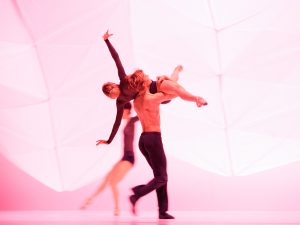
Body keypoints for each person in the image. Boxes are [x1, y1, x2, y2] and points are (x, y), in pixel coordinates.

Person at [97, 30, 206, 146]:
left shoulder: (123, 80)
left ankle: (196, 98)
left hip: (155, 87)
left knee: (175, 86)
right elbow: (117, 122)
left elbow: (116, 58)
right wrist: (109, 140)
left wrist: (106, 40)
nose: (110, 95)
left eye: (109, 91)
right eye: (108, 95)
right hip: (153, 100)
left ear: (114, 85)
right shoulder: (120, 101)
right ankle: (176, 74)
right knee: (174, 86)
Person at [128, 73, 207, 219]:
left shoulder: (137, 101)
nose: (148, 76)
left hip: (144, 140)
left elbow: (172, 90)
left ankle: (162, 211)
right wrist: (170, 82)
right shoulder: (151, 98)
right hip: (153, 139)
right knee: (162, 178)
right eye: (145, 77)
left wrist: (170, 78)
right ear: (144, 84)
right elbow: (175, 93)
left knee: (159, 176)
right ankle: (137, 194)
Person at [81, 102, 139, 216]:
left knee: (113, 183)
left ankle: (117, 208)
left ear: (127, 111)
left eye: (122, 111)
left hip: (129, 157)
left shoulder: (131, 121)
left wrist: (152, 103)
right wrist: (107, 141)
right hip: (124, 157)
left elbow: (142, 114)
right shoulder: (126, 122)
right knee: (107, 178)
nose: (120, 113)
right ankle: (90, 199)